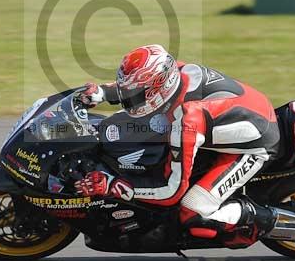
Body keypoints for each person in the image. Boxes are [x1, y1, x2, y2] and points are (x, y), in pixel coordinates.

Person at [73, 44, 281, 246]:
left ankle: (260, 218)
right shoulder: (174, 72)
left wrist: (114, 186)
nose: (128, 99)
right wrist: (102, 92)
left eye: (132, 95)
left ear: (158, 89)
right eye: (127, 92)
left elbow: (171, 192)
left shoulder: (187, 122)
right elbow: (141, 87)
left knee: (193, 212)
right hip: (237, 116)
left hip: (254, 144)